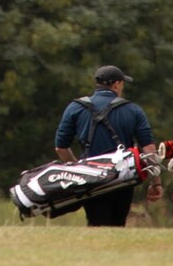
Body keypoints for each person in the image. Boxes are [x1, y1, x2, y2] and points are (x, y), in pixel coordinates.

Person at [52, 64, 155, 227]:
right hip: (123, 177)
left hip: (91, 178)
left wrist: (78, 169)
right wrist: (156, 182)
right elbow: (149, 150)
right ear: (116, 84)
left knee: (96, 223)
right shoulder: (134, 110)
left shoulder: (75, 107)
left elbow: (61, 148)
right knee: (118, 223)